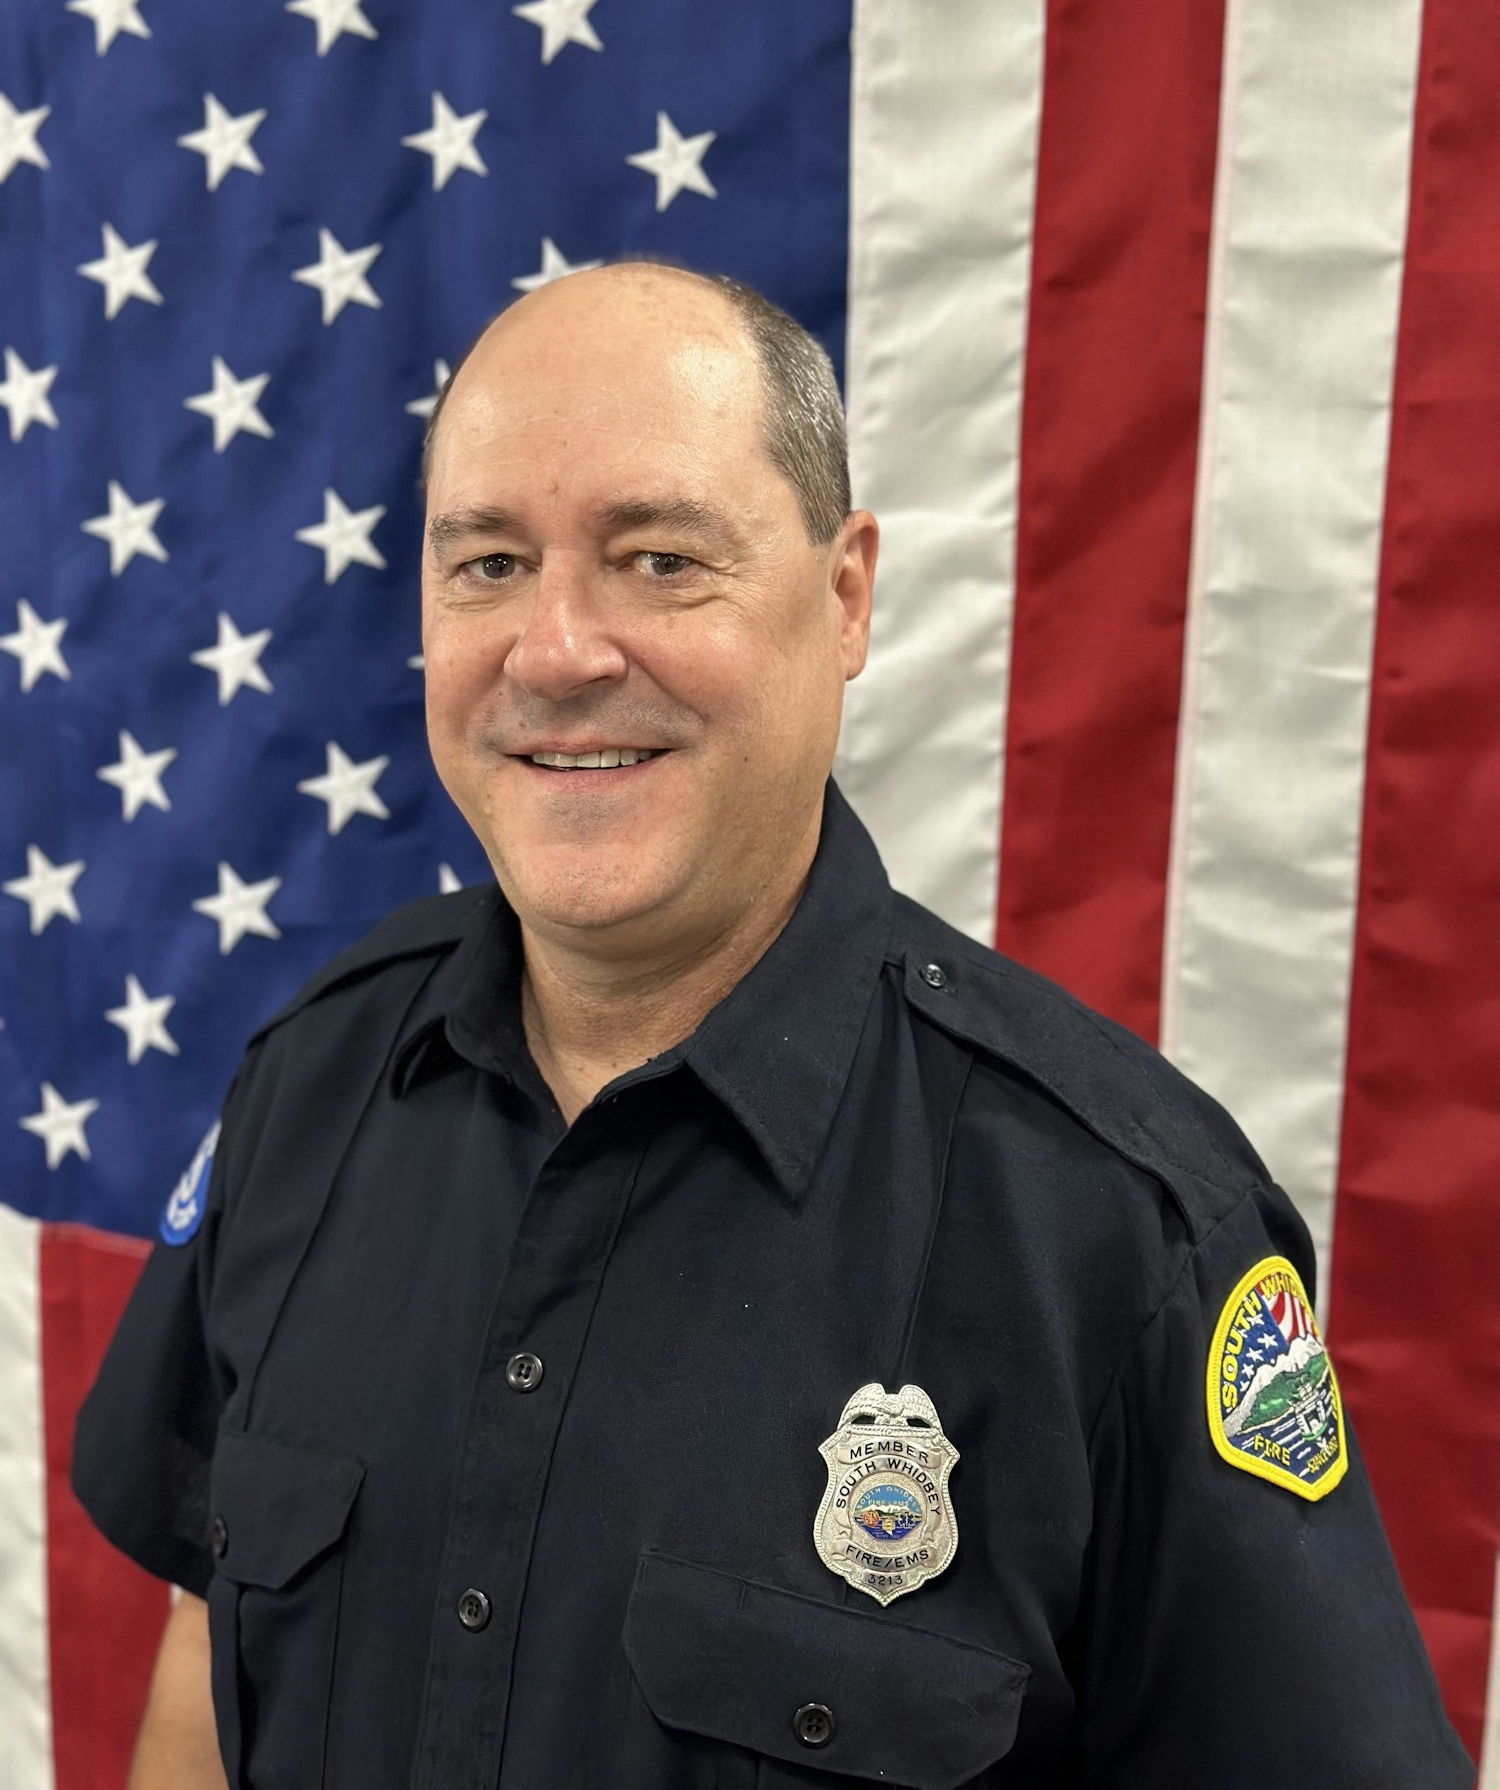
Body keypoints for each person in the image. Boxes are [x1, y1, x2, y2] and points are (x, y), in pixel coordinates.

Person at [73, 263, 1472, 1789]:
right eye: (486, 563)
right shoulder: (312, 1092)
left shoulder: (1119, 1235)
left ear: (847, 593)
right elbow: (208, 1678)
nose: (555, 650)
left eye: (659, 560)